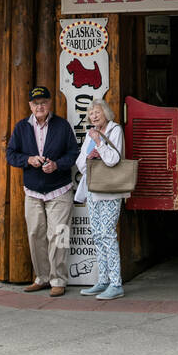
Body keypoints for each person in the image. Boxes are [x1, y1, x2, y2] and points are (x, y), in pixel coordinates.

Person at [6, 86, 79, 297]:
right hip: (33, 192)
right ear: (30, 105)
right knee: (35, 235)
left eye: (44, 102)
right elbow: (10, 154)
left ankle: (59, 279)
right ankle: (42, 277)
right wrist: (28, 160)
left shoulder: (62, 126)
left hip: (60, 190)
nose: (40, 106)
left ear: (50, 104)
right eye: (36, 103)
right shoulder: (21, 127)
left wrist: (57, 165)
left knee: (59, 235)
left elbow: (73, 153)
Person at [75, 99, 128, 300]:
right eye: (91, 113)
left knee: (107, 234)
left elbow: (114, 159)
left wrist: (99, 144)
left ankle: (116, 283)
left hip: (110, 190)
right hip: (92, 189)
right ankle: (103, 280)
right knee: (97, 234)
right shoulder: (90, 133)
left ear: (106, 113)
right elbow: (80, 163)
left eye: (97, 112)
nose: (93, 116)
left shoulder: (115, 130)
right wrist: (90, 155)